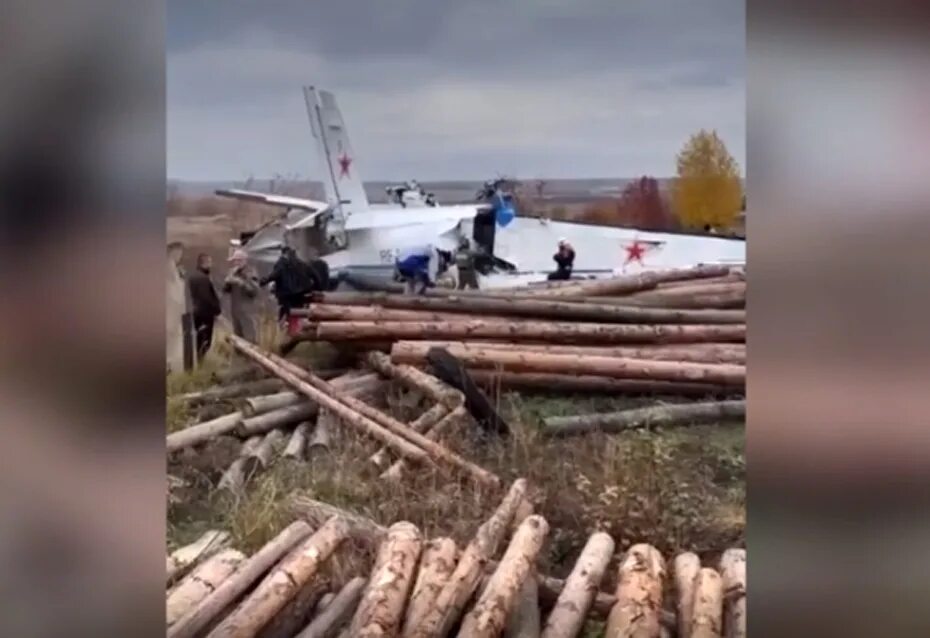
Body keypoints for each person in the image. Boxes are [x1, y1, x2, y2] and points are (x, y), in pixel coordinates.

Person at [260, 245, 321, 322]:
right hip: (300, 293)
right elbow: (314, 274)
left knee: (286, 312)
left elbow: (275, 274)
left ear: (283, 253)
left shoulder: (281, 263)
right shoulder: (301, 263)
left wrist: (264, 281)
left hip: (286, 294)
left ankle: (284, 328)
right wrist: (316, 287)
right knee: (299, 311)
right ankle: (299, 328)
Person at [187, 253, 221, 361]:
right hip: (205, 313)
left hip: (196, 311)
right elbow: (206, 297)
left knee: (199, 339)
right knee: (205, 341)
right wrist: (216, 310)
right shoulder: (202, 278)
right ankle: (201, 362)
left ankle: (199, 361)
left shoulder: (192, 276)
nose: (211, 264)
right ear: (203, 263)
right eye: (209, 262)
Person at [222, 249, 260, 342]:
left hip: (247, 311)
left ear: (244, 260)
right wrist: (227, 283)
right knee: (238, 337)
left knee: (249, 337)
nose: (235, 263)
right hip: (235, 310)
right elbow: (225, 291)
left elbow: (255, 291)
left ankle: (252, 355)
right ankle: (239, 355)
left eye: (237, 260)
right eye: (234, 261)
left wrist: (241, 283)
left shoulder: (250, 272)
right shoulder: (233, 272)